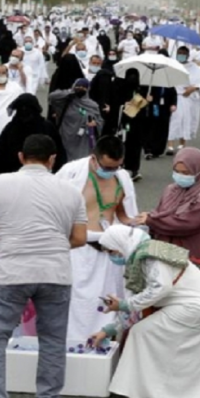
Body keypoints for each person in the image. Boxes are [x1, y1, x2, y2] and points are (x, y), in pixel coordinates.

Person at [0, 134, 87, 398]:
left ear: (20, 156)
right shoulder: (70, 191)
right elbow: (79, 237)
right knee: (53, 337)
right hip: (56, 271)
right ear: (52, 159)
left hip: (11, 271)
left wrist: (5, 246)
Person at [89, 225, 200, 398]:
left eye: (112, 251)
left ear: (121, 244)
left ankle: (146, 389)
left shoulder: (149, 256)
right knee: (178, 348)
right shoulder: (148, 251)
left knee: (142, 332)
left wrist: (122, 305)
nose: (112, 256)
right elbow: (137, 307)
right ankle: (176, 389)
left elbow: (160, 289)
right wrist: (107, 330)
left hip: (196, 306)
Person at [55, 136, 137, 341]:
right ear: (94, 159)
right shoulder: (71, 173)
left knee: (106, 301)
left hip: (110, 250)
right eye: (107, 167)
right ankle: (71, 345)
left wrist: (136, 222)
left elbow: (123, 215)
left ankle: (101, 342)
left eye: (116, 167)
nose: (110, 172)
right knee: (76, 302)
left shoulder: (122, 178)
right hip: (79, 248)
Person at [138, 148, 200, 294]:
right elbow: (160, 213)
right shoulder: (171, 189)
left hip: (198, 256)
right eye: (177, 171)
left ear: (199, 171)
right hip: (168, 255)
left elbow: (189, 222)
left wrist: (152, 221)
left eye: (186, 173)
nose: (180, 176)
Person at [0, 93, 65, 177]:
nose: (25, 113)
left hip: (13, 179)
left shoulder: (10, 129)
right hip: (43, 176)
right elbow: (60, 156)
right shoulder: (47, 127)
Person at [168, 46, 200, 154]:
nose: (181, 55)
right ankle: (170, 145)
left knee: (186, 121)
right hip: (174, 97)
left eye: (183, 53)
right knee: (173, 120)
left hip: (188, 98)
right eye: (179, 53)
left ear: (187, 55)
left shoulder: (193, 68)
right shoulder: (172, 66)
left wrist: (194, 88)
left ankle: (182, 144)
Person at [49, 78, 103, 161]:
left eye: (84, 87)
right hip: (66, 139)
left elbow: (100, 121)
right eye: (78, 86)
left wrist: (95, 124)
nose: (81, 88)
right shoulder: (65, 102)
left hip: (84, 141)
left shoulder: (93, 105)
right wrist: (71, 91)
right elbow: (52, 96)